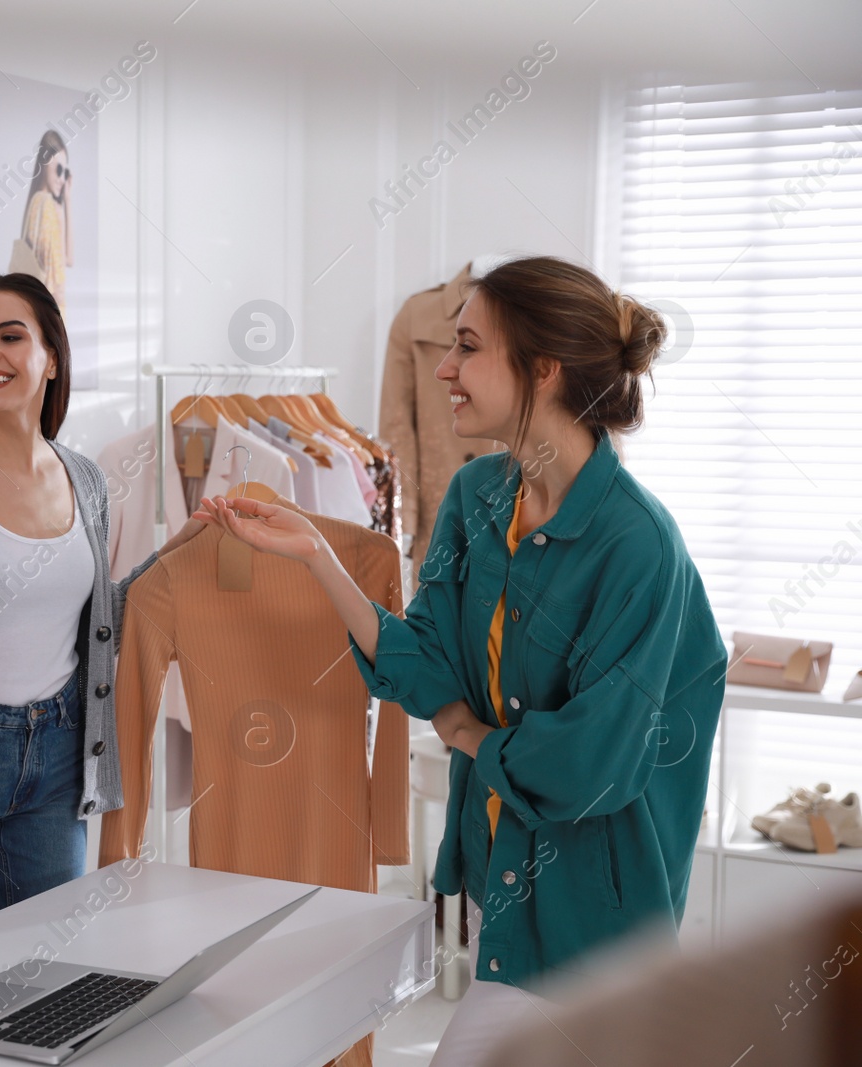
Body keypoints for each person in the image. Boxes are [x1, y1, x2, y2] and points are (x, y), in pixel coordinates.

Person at [195, 256, 726, 1067]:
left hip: (597, 933)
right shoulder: (479, 497)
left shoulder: (639, 545)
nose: (443, 367)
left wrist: (471, 738)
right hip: (499, 894)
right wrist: (315, 556)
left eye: (468, 346)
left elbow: (588, 764)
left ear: (543, 369)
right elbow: (429, 669)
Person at [0, 273, 200, 936]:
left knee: (44, 967)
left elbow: (98, 625)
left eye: (10, 335)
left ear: (52, 356)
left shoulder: (84, 476)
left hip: (62, 753)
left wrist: (184, 547)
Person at [19, 130, 72, 317]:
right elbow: (55, 282)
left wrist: (66, 199)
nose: (61, 179)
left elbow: (67, 260)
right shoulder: (46, 205)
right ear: (45, 162)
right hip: (51, 314)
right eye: (58, 169)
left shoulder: (35, 203)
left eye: (65, 173)